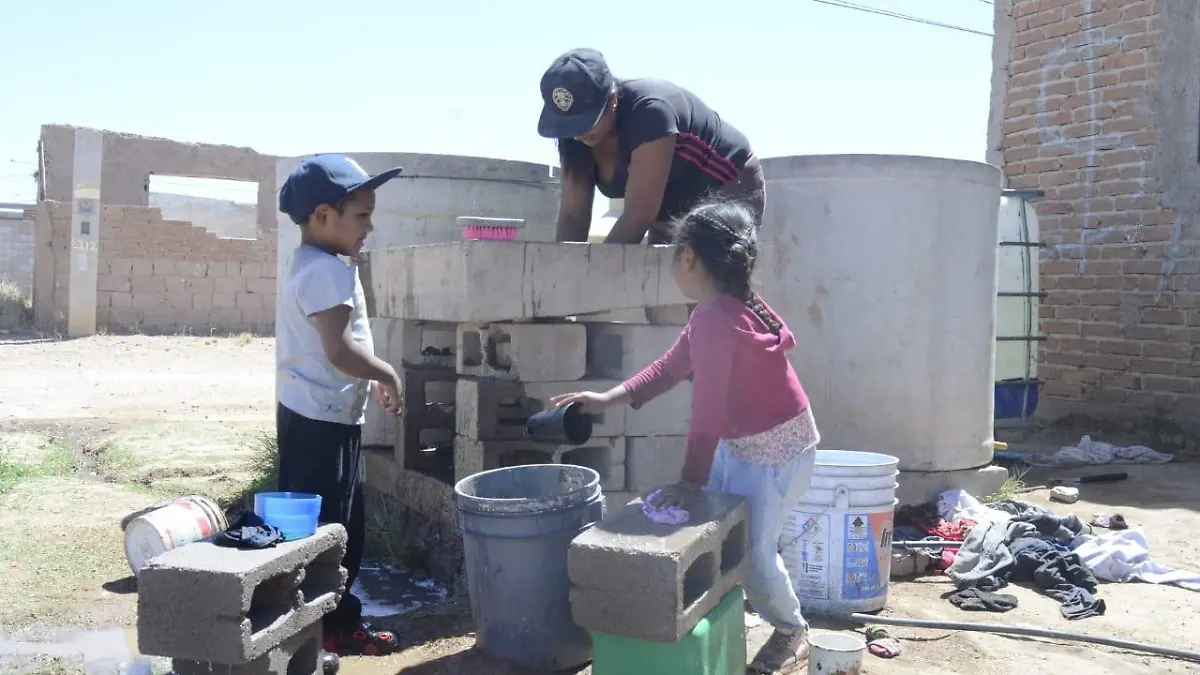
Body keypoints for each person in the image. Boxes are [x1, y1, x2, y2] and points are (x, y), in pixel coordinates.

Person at [550, 200, 819, 674]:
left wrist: (690, 481)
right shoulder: (714, 312)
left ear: (690, 257)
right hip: (748, 443)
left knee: (753, 553)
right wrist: (607, 397)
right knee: (719, 535)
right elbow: (668, 369)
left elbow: (707, 415)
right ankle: (727, 619)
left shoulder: (719, 320)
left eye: (674, 251)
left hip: (776, 451)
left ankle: (791, 630)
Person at [276, 154, 405, 659]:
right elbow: (338, 349)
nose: (370, 226)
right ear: (323, 216)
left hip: (311, 413)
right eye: (361, 216)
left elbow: (337, 347)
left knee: (321, 529)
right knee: (336, 533)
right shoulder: (327, 272)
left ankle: (310, 625)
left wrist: (364, 376)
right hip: (322, 422)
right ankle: (330, 629)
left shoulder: (311, 263)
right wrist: (385, 372)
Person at [536, 48, 765, 245]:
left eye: (586, 122)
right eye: (568, 125)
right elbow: (573, 216)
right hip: (668, 208)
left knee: (708, 284)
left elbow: (638, 217)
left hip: (726, 184)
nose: (577, 135)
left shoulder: (651, 114)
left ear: (612, 100)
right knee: (662, 289)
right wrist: (563, 280)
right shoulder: (573, 136)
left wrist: (591, 276)